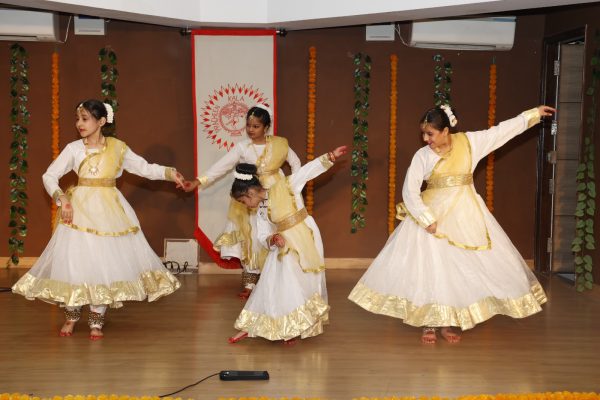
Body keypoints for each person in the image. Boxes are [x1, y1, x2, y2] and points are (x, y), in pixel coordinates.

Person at [348, 105, 554, 344]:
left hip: (465, 216)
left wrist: (532, 115)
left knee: (455, 270)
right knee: (431, 269)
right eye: (423, 134)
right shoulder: (422, 156)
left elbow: (500, 132)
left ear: (446, 130)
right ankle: (429, 322)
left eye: (430, 134)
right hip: (433, 218)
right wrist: (426, 219)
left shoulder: (470, 143)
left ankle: (448, 321)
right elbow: (410, 190)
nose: (426, 139)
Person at [12, 99, 184, 340]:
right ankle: (71, 315)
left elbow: (144, 168)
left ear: (101, 121)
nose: (79, 124)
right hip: (79, 210)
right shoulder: (74, 149)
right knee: (76, 261)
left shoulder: (118, 147)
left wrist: (168, 172)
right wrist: (62, 198)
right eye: (77, 119)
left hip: (109, 211)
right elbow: (49, 175)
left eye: (85, 119)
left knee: (103, 262)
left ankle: (96, 320)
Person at [227, 145, 348, 344]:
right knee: (276, 280)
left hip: (305, 235)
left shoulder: (286, 186)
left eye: (243, 201)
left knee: (304, 280)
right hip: (283, 243)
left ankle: (296, 325)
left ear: (250, 193)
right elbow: (263, 234)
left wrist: (330, 157)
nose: (245, 206)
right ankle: (261, 324)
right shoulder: (260, 210)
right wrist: (272, 239)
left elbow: (306, 171)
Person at [184, 104, 301, 298]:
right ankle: (250, 284)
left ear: (266, 127)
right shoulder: (242, 147)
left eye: (256, 126)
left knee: (276, 235)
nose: (250, 130)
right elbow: (220, 167)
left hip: (276, 195)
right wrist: (198, 182)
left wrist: (293, 187)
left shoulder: (280, 144)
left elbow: (296, 163)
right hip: (250, 197)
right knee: (252, 238)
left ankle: (275, 281)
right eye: (248, 125)